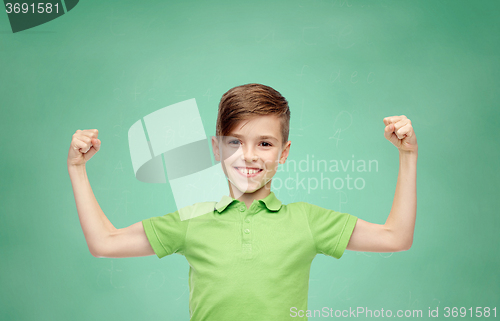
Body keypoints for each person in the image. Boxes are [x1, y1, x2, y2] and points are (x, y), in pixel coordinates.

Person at [67, 83, 417, 320]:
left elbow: (395, 237)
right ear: (217, 148)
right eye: (235, 142)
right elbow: (104, 243)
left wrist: (408, 155)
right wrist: (77, 168)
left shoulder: (308, 221)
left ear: (284, 153)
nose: (248, 156)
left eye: (265, 143)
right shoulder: (192, 220)